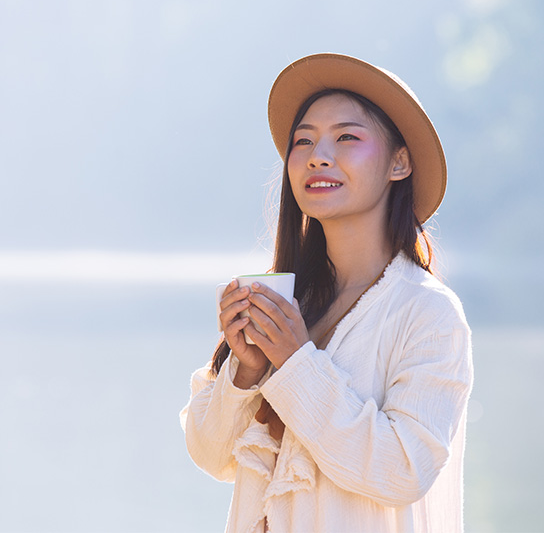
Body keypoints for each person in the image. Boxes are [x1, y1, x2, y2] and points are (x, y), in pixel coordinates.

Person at [180, 53, 474, 533]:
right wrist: (247, 370)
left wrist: (296, 363)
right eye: (304, 140)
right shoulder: (285, 300)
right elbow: (212, 456)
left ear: (399, 163)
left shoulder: (428, 313)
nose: (319, 155)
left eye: (347, 137)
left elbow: (402, 472)